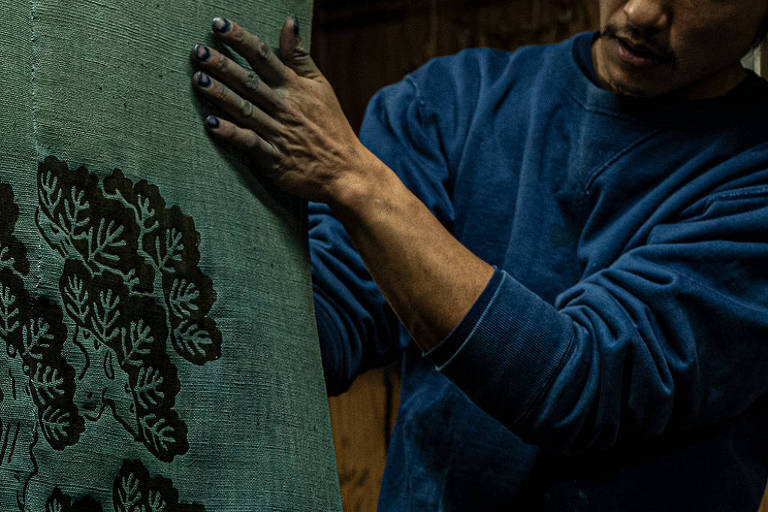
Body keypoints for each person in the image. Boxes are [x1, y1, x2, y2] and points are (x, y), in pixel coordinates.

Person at [189, 1, 768, 509]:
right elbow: (333, 322)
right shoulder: (449, 102)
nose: (640, 12)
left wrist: (355, 180)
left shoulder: (752, 177)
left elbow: (583, 385)